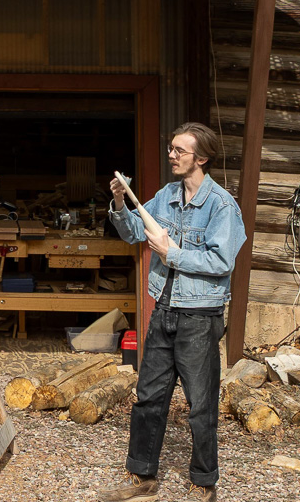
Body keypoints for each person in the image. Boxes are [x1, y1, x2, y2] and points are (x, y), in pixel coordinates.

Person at [95, 122, 246, 502]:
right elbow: (133, 232)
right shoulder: (166, 195)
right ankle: (142, 479)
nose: (172, 155)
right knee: (149, 397)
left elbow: (222, 261)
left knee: (200, 403)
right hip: (163, 308)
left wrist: (171, 253)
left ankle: (203, 483)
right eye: (171, 148)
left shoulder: (221, 206)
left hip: (199, 314)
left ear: (202, 158)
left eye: (180, 150)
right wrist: (119, 203)